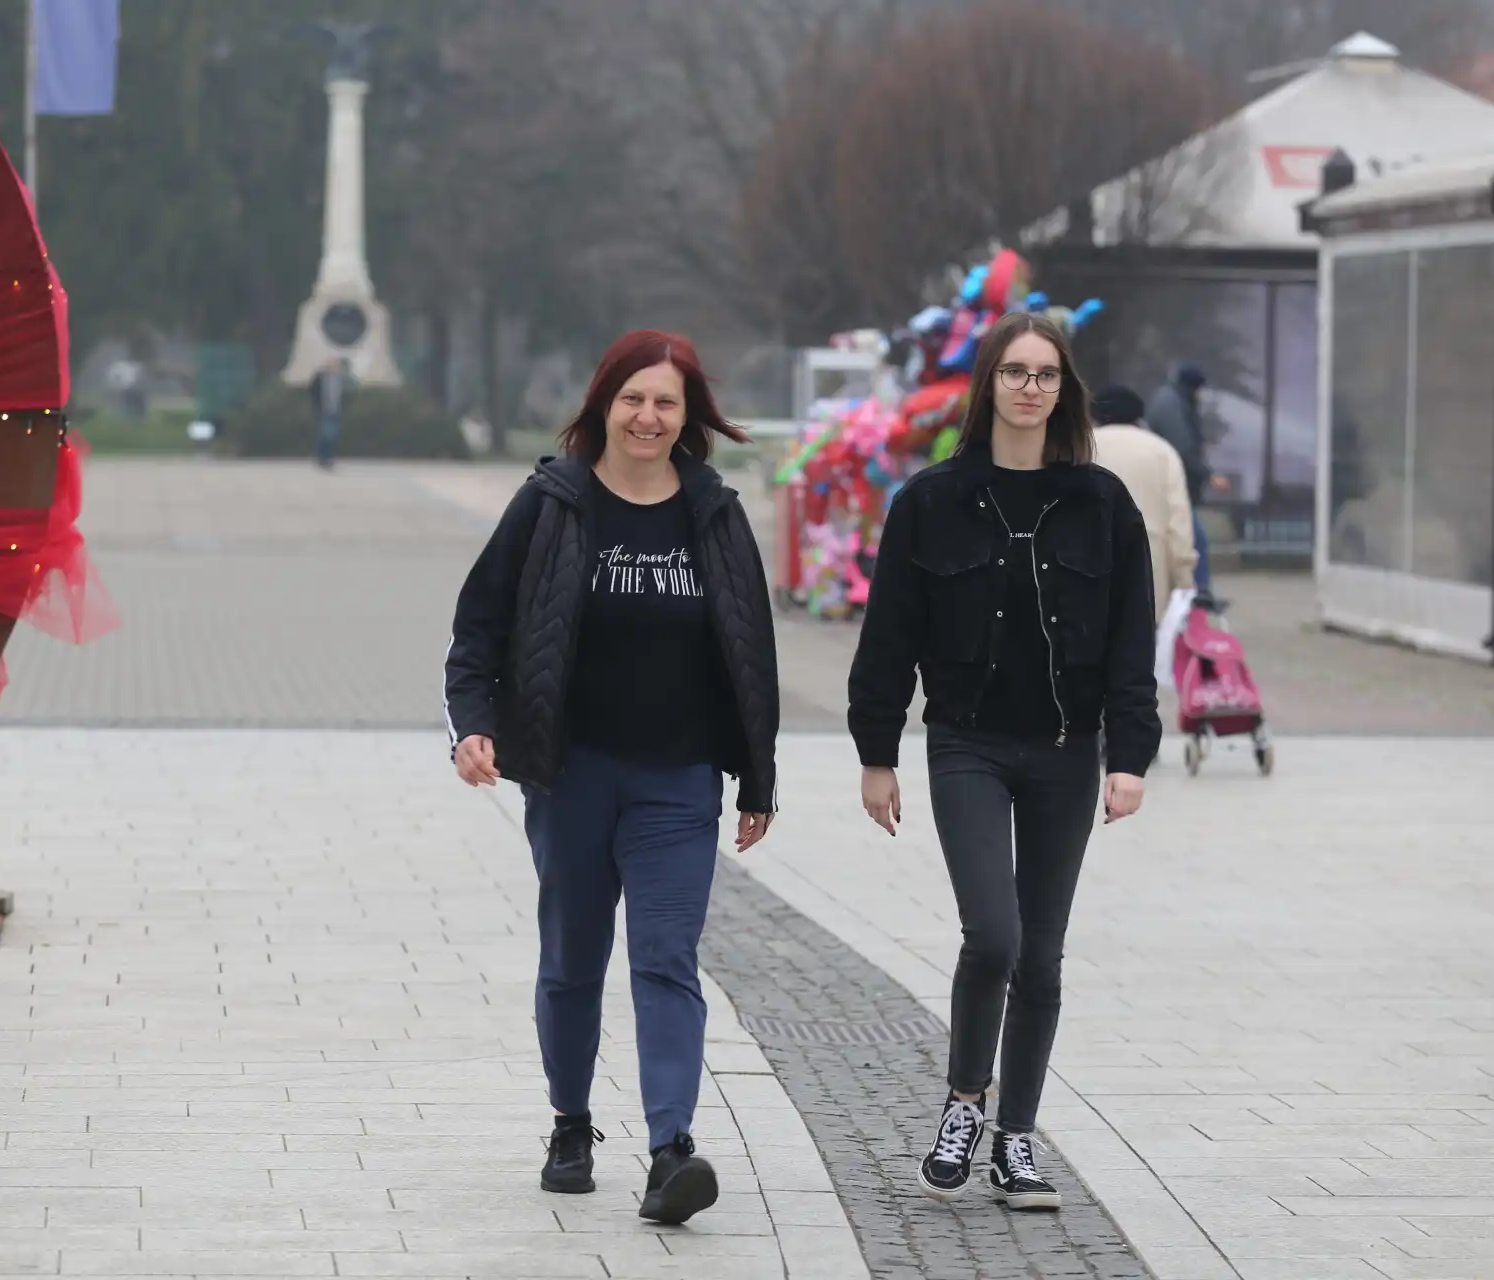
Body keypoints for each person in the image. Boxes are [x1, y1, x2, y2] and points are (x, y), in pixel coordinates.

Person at [443, 329, 780, 1226]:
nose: (647, 417)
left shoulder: (714, 513)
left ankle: (672, 1151)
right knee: (572, 960)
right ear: (603, 404)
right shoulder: (552, 503)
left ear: (687, 415)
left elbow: (750, 651)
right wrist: (473, 726)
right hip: (570, 775)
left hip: (679, 781)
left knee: (666, 958)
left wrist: (757, 779)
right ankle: (570, 1125)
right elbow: (478, 630)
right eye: (633, 398)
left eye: (665, 402)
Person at [846, 313, 1159, 1211]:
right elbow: (889, 636)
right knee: (994, 936)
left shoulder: (1103, 503)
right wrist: (877, 754)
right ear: (988, 386)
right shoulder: (930, 501)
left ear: (1066, 391)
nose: (1031, 388)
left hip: (1067, 751)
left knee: (1043, 958)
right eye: (1015, 372)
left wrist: (1130, 754)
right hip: (967, 744)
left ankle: (1017, 1141)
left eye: (1046, 375)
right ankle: (964, 1103)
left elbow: (1132, 640)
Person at [1091, 385, 1198, 610]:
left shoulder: (1079, 446)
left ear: (1094, 414)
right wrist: (1184, 578)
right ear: (1139, 416)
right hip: (1147, 571)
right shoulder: (1162, 451)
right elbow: (1178, 521)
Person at [1143, 363, 1213, 597]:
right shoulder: (1173, 404)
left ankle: (1188, 589)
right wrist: (1204, 472)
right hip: (1173, 484)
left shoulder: (1172, 400)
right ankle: (1198, 591)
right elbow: (1182, 446)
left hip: (1169, 482)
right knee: (1194, 537)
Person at [309, 355, 349, 470]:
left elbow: (344, 393)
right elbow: (312, 391)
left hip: (335, 410)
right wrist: (317, 405)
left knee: (332, 436)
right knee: (325, 435)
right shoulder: (320, 377)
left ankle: (329, 458)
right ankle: (322, 458)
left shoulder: (340, 378)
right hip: (324, 410)